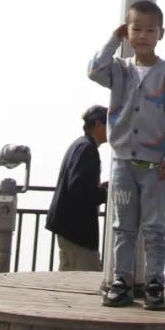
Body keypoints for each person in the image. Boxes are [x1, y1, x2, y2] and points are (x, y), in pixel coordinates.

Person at [88, 1, 165, 311]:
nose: (143, 35)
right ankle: (122, 280)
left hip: (156, 164)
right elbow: (93, 70)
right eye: (136, 29)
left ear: (161, 34)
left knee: (155, 226)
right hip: (122, 162)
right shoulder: (120, 69)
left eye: (150, 30)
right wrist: (112, 39)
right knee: (123, 226)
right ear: (127, 32)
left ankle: (155, 282)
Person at [46, 105, 108, 271]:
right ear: (97, 125)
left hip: (67, 226)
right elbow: (78, 187)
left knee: (68, 278)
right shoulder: (87, 148)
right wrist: (105, 194)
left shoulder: (81, 145)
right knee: (89, 278)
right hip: (77, 230)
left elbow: (77, 183)